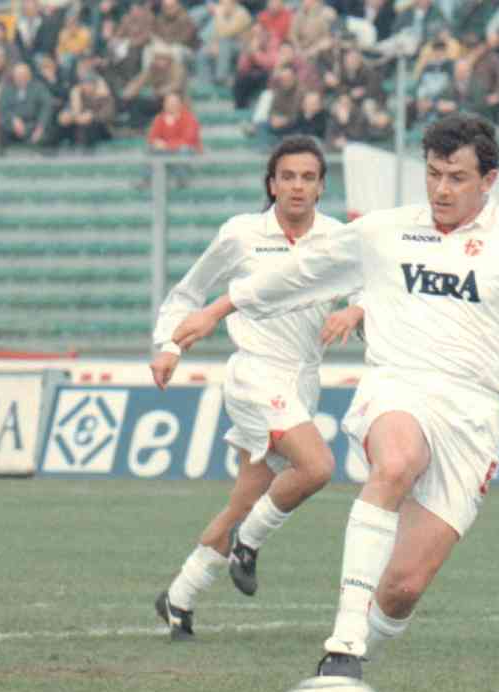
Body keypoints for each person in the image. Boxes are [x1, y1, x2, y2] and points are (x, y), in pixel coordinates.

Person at [170, 114, 499, 678]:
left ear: (488, 180)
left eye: (457, 178)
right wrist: (218, 309)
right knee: (394, 462)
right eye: (434, 174)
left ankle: (358, 650)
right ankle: (343, 643)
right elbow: (299, 272)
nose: (441, 189)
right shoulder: (386, 231)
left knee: (402, 589)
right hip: (398, 383)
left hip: (471, 414)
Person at [151, 135, 359, 640]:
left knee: (245, 501)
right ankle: (248, 545)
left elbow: (373, 292)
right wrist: (169, 345)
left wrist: (356, 310)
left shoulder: (339, 239)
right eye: (287, 177)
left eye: (307, 178)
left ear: (321, 187)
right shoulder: (241, 234)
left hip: (302, 380)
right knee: (317, 466)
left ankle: (178, 598)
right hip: (255, 375)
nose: (297, 186)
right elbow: (189, 292)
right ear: (271, 184)